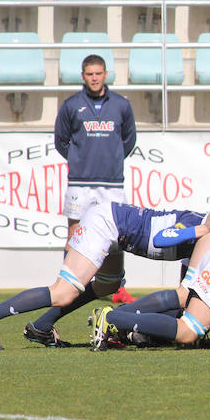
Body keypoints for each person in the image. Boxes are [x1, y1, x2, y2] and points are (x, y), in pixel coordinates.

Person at [0, 202, 210, 351]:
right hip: (107, 223)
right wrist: (201, 228)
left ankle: (42, 326)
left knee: (107, 285)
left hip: (117, 231)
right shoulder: (203, 228)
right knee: (63, 292)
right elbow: (163, 237)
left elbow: (190, 293)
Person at [54, 54, 137, 306]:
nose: (94, 78)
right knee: (75, 234)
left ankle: (117, 287)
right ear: (83, 76)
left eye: (98, 73)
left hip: (112, 183)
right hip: (80, 181)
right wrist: (80, 160)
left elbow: (129, 140)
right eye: (89, 74)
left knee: (116, 236)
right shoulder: (71, 105)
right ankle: (66, 287)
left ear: (105, 74)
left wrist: (110, 159)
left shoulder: (121, 105)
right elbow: (61, 141)